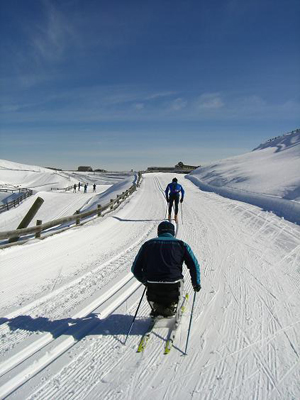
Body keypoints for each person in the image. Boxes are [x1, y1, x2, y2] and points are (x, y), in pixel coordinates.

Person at [131, 221, 201, 318]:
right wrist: (196, 283)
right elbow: (194, 265)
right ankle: (172, 306)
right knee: (176, 285)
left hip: (153, 287)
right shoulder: (181, 245)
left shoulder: (147, 245)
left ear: (158, 232)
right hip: (174, 285)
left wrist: (145, 281)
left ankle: (158, 307)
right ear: (172, 232)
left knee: (156, 291)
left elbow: (135, 269)